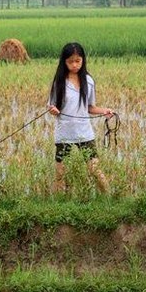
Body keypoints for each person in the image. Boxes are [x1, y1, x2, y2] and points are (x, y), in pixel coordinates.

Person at [47, 42, 114, 193]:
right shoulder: (59, 82)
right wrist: (53, 110)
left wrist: (105, 111)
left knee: (94, 169)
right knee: (60, 173)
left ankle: (109, 198)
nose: (75, 65)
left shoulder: (88, 81)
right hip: (64, 133)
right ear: (64, 62)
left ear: (83, 60)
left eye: (78, 61)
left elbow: (90, 107)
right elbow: (51, 106)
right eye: (70, 61)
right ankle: (58, 203)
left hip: (84, 132)